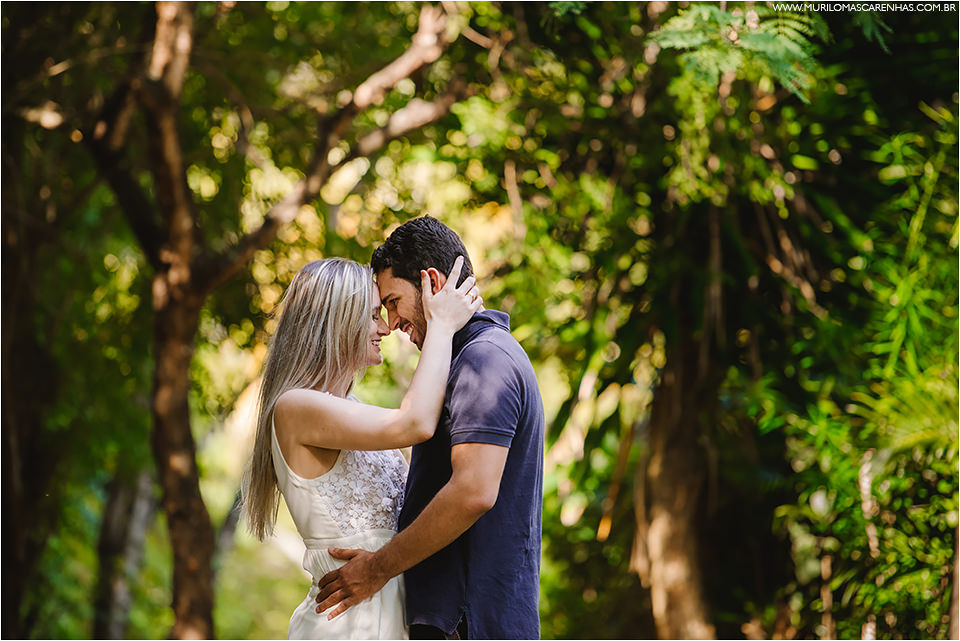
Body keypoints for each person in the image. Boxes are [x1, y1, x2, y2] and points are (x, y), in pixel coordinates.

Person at [315, 217, 545, 640]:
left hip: (470, 625)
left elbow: (473, 491)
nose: (391, 322)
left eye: (393, 301)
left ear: (431, 282)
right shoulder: (466, 360)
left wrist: (376, 569)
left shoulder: (484, 361)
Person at [242, 255, 482, 640]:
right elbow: (417, 422)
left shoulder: (352, 410)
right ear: (337, 323)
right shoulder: (294, 408)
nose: (386, 328)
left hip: (397, 617)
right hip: (350, 624)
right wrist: (442, 326)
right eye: (373, 316)